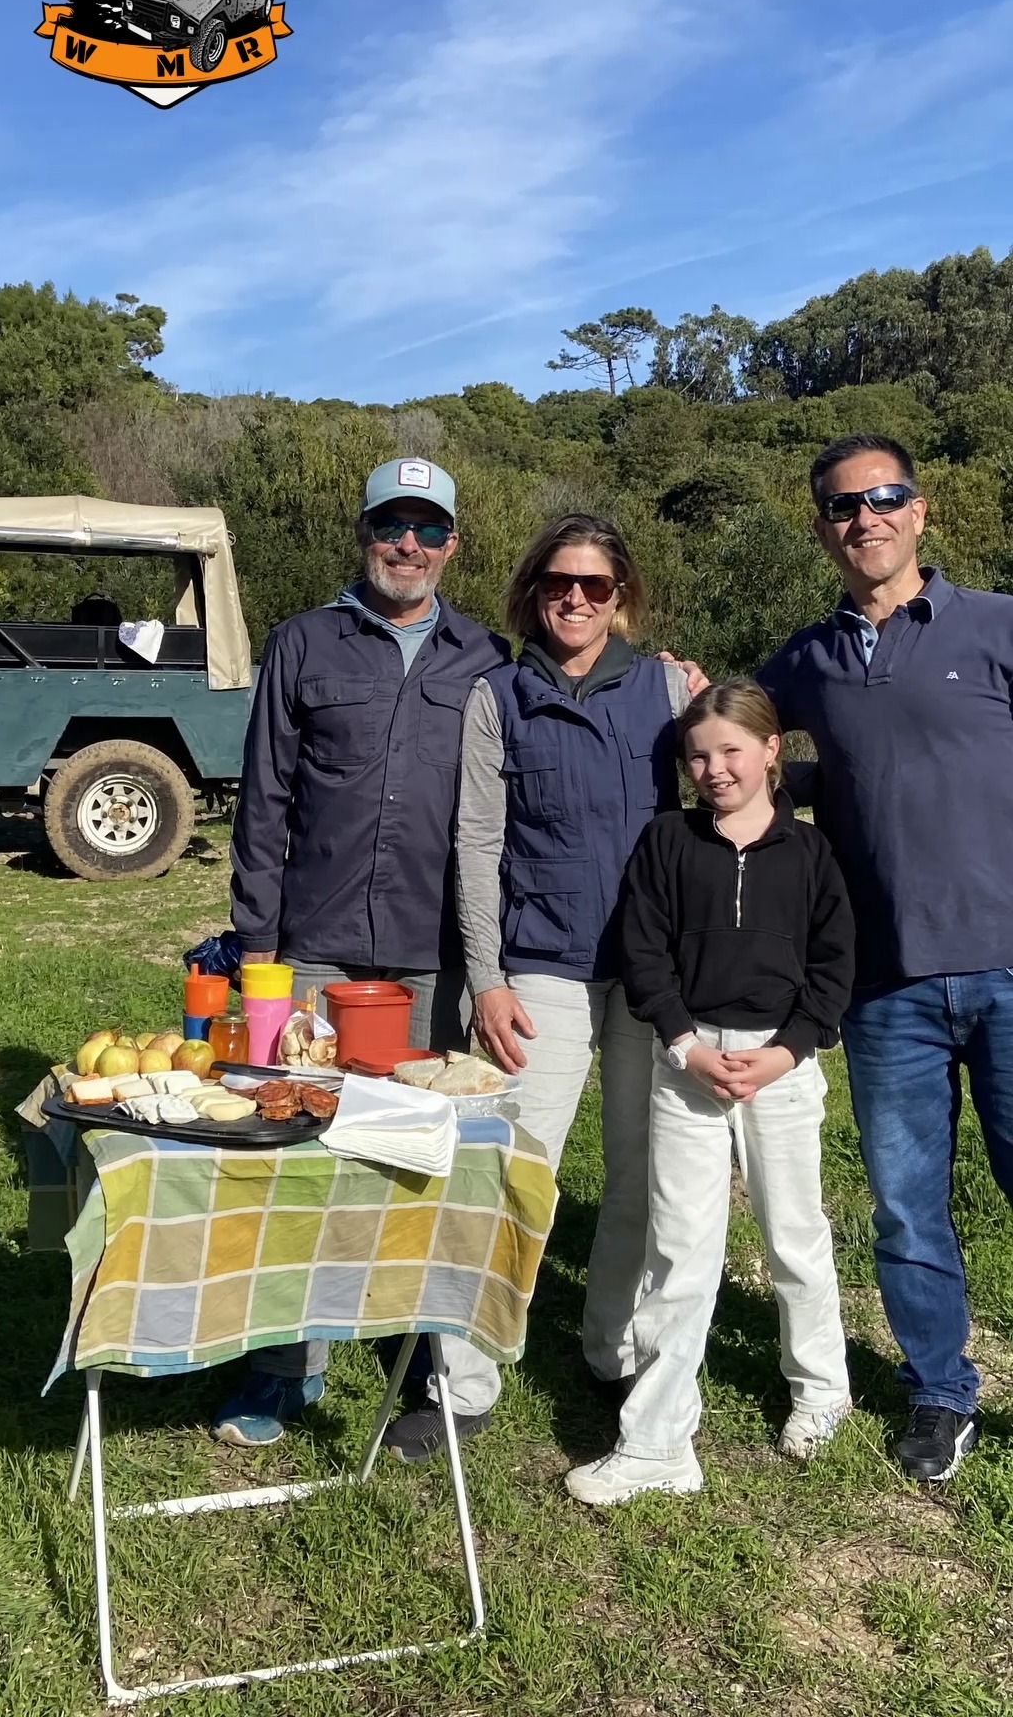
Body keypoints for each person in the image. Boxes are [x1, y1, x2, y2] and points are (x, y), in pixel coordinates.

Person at [211, 456, 509, 1451]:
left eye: (429, 529)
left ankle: (417, 1341)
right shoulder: (303, 644)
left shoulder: (488, 656)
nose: (409, 546)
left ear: (453, 543)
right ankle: (282, 1364)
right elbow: (264, 808)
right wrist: (262, 951)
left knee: (416, 1152)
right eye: (393, 525)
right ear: (366, 532)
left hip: (433, 958)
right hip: (315, 950)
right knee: (298, 1155)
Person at [757, 431, 1013, 1482]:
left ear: (921, 510)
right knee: (907, 1207)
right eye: (843, 506)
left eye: (884, 498)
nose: (865, 519)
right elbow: (744, 742)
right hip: (884, 983)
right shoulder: (808, 662)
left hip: (1007, 965)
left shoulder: (997, 626)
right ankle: (941, 1391)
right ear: (822, 527)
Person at [566, 679, 854, 1504]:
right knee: (680, 1251)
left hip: (781, 1069)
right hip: (686, 1062)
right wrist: (686, 1043)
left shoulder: (810, 855)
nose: (714, 768)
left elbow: (834, 969)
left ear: (771, 751)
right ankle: (659, 1441)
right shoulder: (667, 842)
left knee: (795, 1234)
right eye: (698, 754)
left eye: (732, 749)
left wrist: (789, 1051)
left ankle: (822, 1392)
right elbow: (644, 951)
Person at [453, 512, 691, 1425]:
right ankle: (467, 1374)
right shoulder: (497, 697)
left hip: (650, 970)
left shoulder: (667, 689)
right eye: (560, 583)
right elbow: (478, 842)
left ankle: (610, 1350)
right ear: (533, 591)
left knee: (638, 1171)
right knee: (518, 1166)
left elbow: (727, 788)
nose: (576, 598)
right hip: (541, 965)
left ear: (621, 594)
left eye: (596, 584)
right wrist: (487, 977)